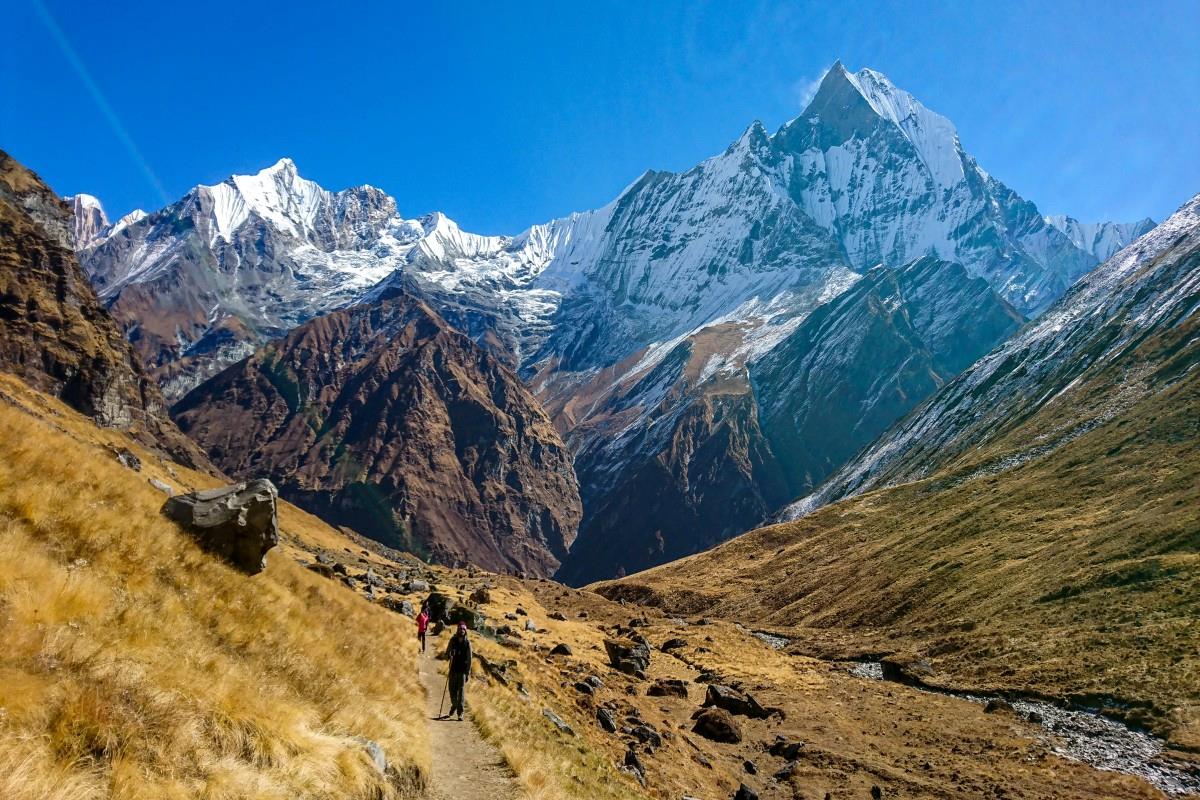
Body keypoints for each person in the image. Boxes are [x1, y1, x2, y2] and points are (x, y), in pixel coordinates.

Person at [445, 621, 473, 721]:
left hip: (462, 671)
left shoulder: (468, 643)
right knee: (452, 691)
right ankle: (454, 705)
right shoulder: (453, 640)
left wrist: (468, 672)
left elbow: (470, 659)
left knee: (461, 692)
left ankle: (460, 713)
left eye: (463, 629)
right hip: (452, 669)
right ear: (458, 630)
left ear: (465, 631)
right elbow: (446, 653)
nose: (462, 630)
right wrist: (450, 654)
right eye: (460, 629)